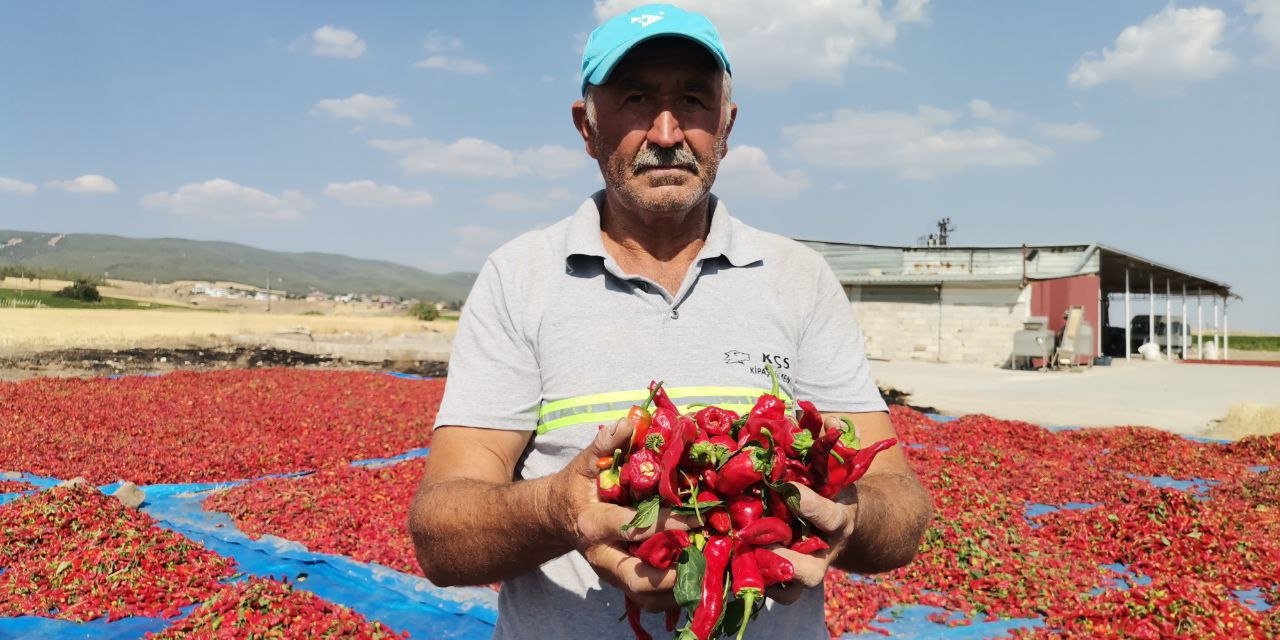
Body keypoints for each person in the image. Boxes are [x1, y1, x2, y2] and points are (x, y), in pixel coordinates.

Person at [408, 5, 932, 638]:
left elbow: (900, 508)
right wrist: (557, 511)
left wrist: (847, 518)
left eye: (692, 99)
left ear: (727, 124)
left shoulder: (799, 279)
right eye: (634, 99)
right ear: (587, 126)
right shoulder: (519, 277)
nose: (665, 131)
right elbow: (439, 534)